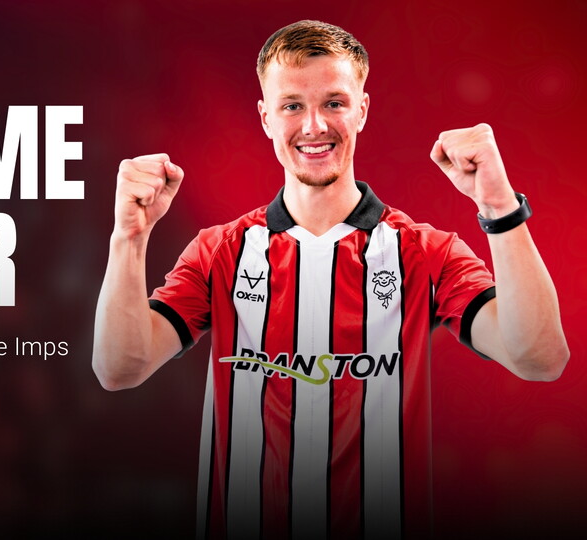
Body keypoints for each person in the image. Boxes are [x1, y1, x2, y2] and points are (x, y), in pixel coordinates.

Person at [92, 20, 568, 539]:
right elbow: (119, 367)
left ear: (362, 109)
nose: (314, 125)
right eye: (292, 105)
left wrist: (499, 208)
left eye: (334, 102)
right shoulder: (220, 251)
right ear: (266, 117)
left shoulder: (424, 252)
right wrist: (128, 237)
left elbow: (540, 358)